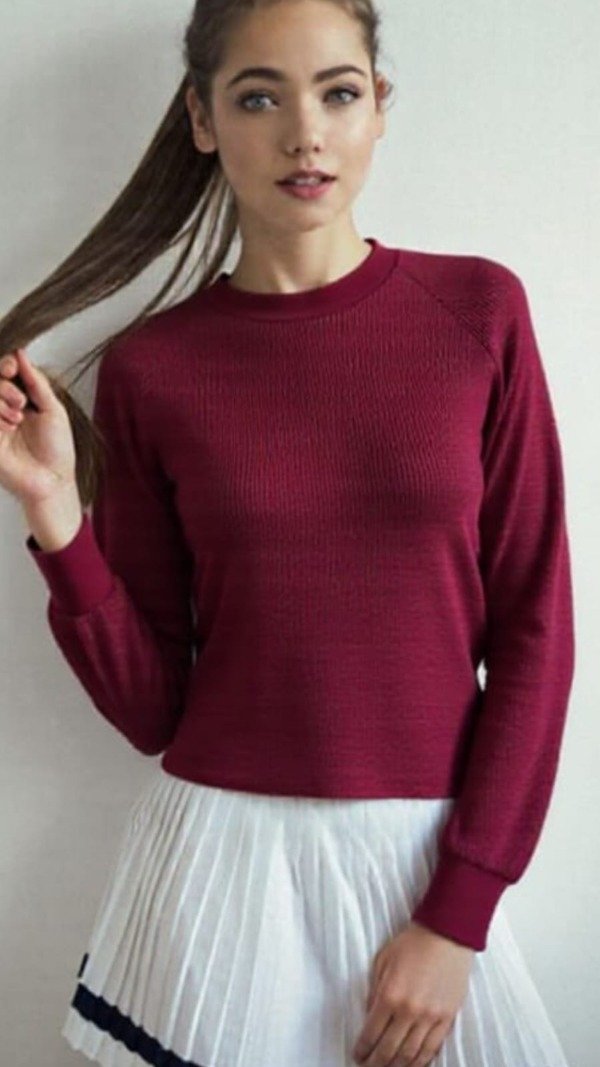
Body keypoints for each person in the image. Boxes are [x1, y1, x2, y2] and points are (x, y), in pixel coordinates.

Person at [0, 1, 575, 1065]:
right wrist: (55, 515)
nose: (305, 133)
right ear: (203, 117)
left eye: (338, 92)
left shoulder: (480, 313)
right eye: (260, 97)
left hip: (429, 862)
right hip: (220, 868)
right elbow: (152, 710)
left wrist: (459, 912)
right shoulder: (152, 369)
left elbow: (538, 631)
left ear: (378, 107)